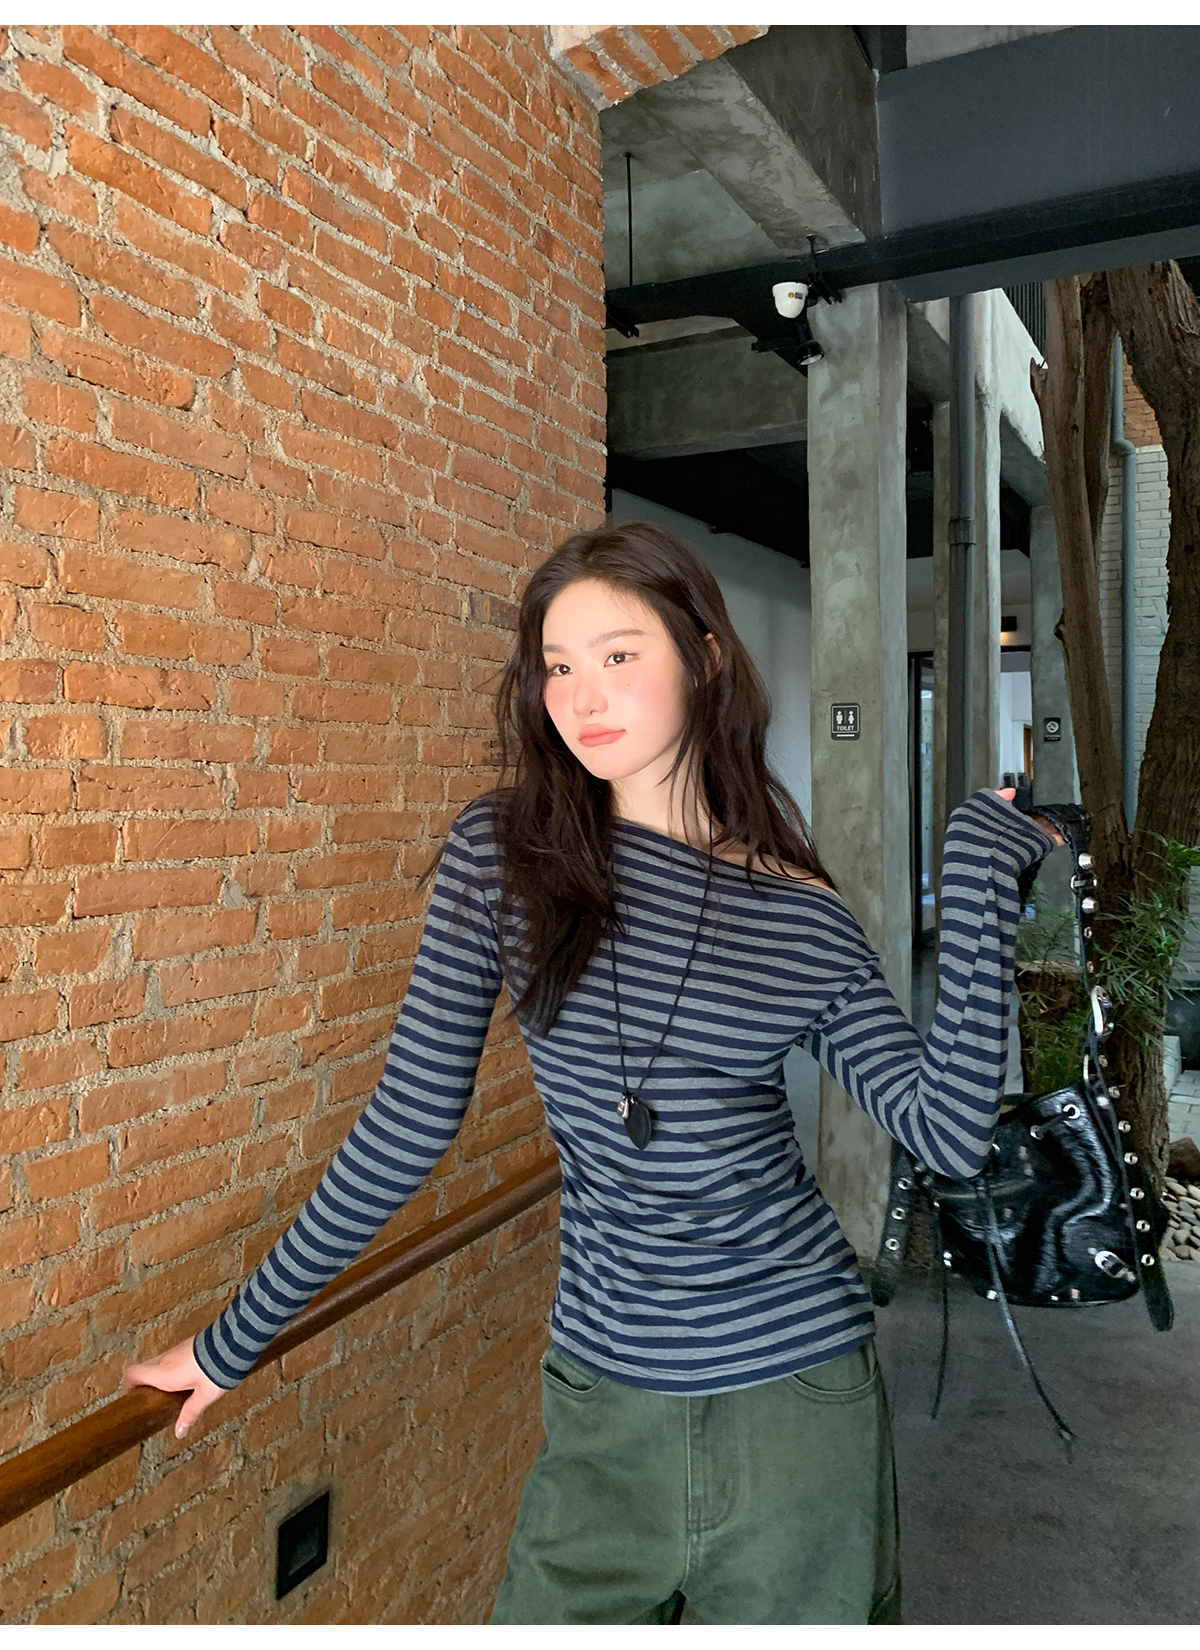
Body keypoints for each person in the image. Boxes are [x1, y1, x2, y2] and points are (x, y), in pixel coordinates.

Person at [124, 520, 1064, 1624]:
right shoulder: (503, 859)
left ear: (704, 658)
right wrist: (232, 1343)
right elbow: (405, 1129)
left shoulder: (798, 914)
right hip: (600, 1405)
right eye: (558, 666)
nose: (582, 697)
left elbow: (949, 1132)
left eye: (619, 654)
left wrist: (977, 876)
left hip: (797, 1403)